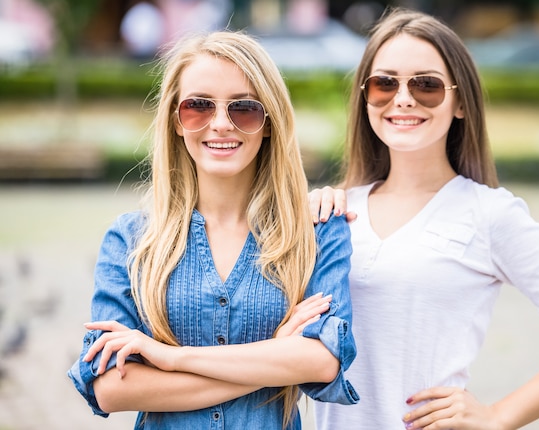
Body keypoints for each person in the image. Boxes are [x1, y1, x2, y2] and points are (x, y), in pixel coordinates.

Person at [310, 7, 539, 430]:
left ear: (459, 102)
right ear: (366, 98)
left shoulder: (490, 213)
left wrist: (498, 416)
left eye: (426, 85)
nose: (403, 98)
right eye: (385, 84)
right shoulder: (331, 211)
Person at [67, 30, 358, 430]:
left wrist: (170, 358)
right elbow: (110, 387)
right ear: (176, 121)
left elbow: (323, 362)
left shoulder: (319, 232)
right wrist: (275, 357)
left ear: (269, 122)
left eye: (244, 108)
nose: (221, 124)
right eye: (199, 106)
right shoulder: (131, 240)